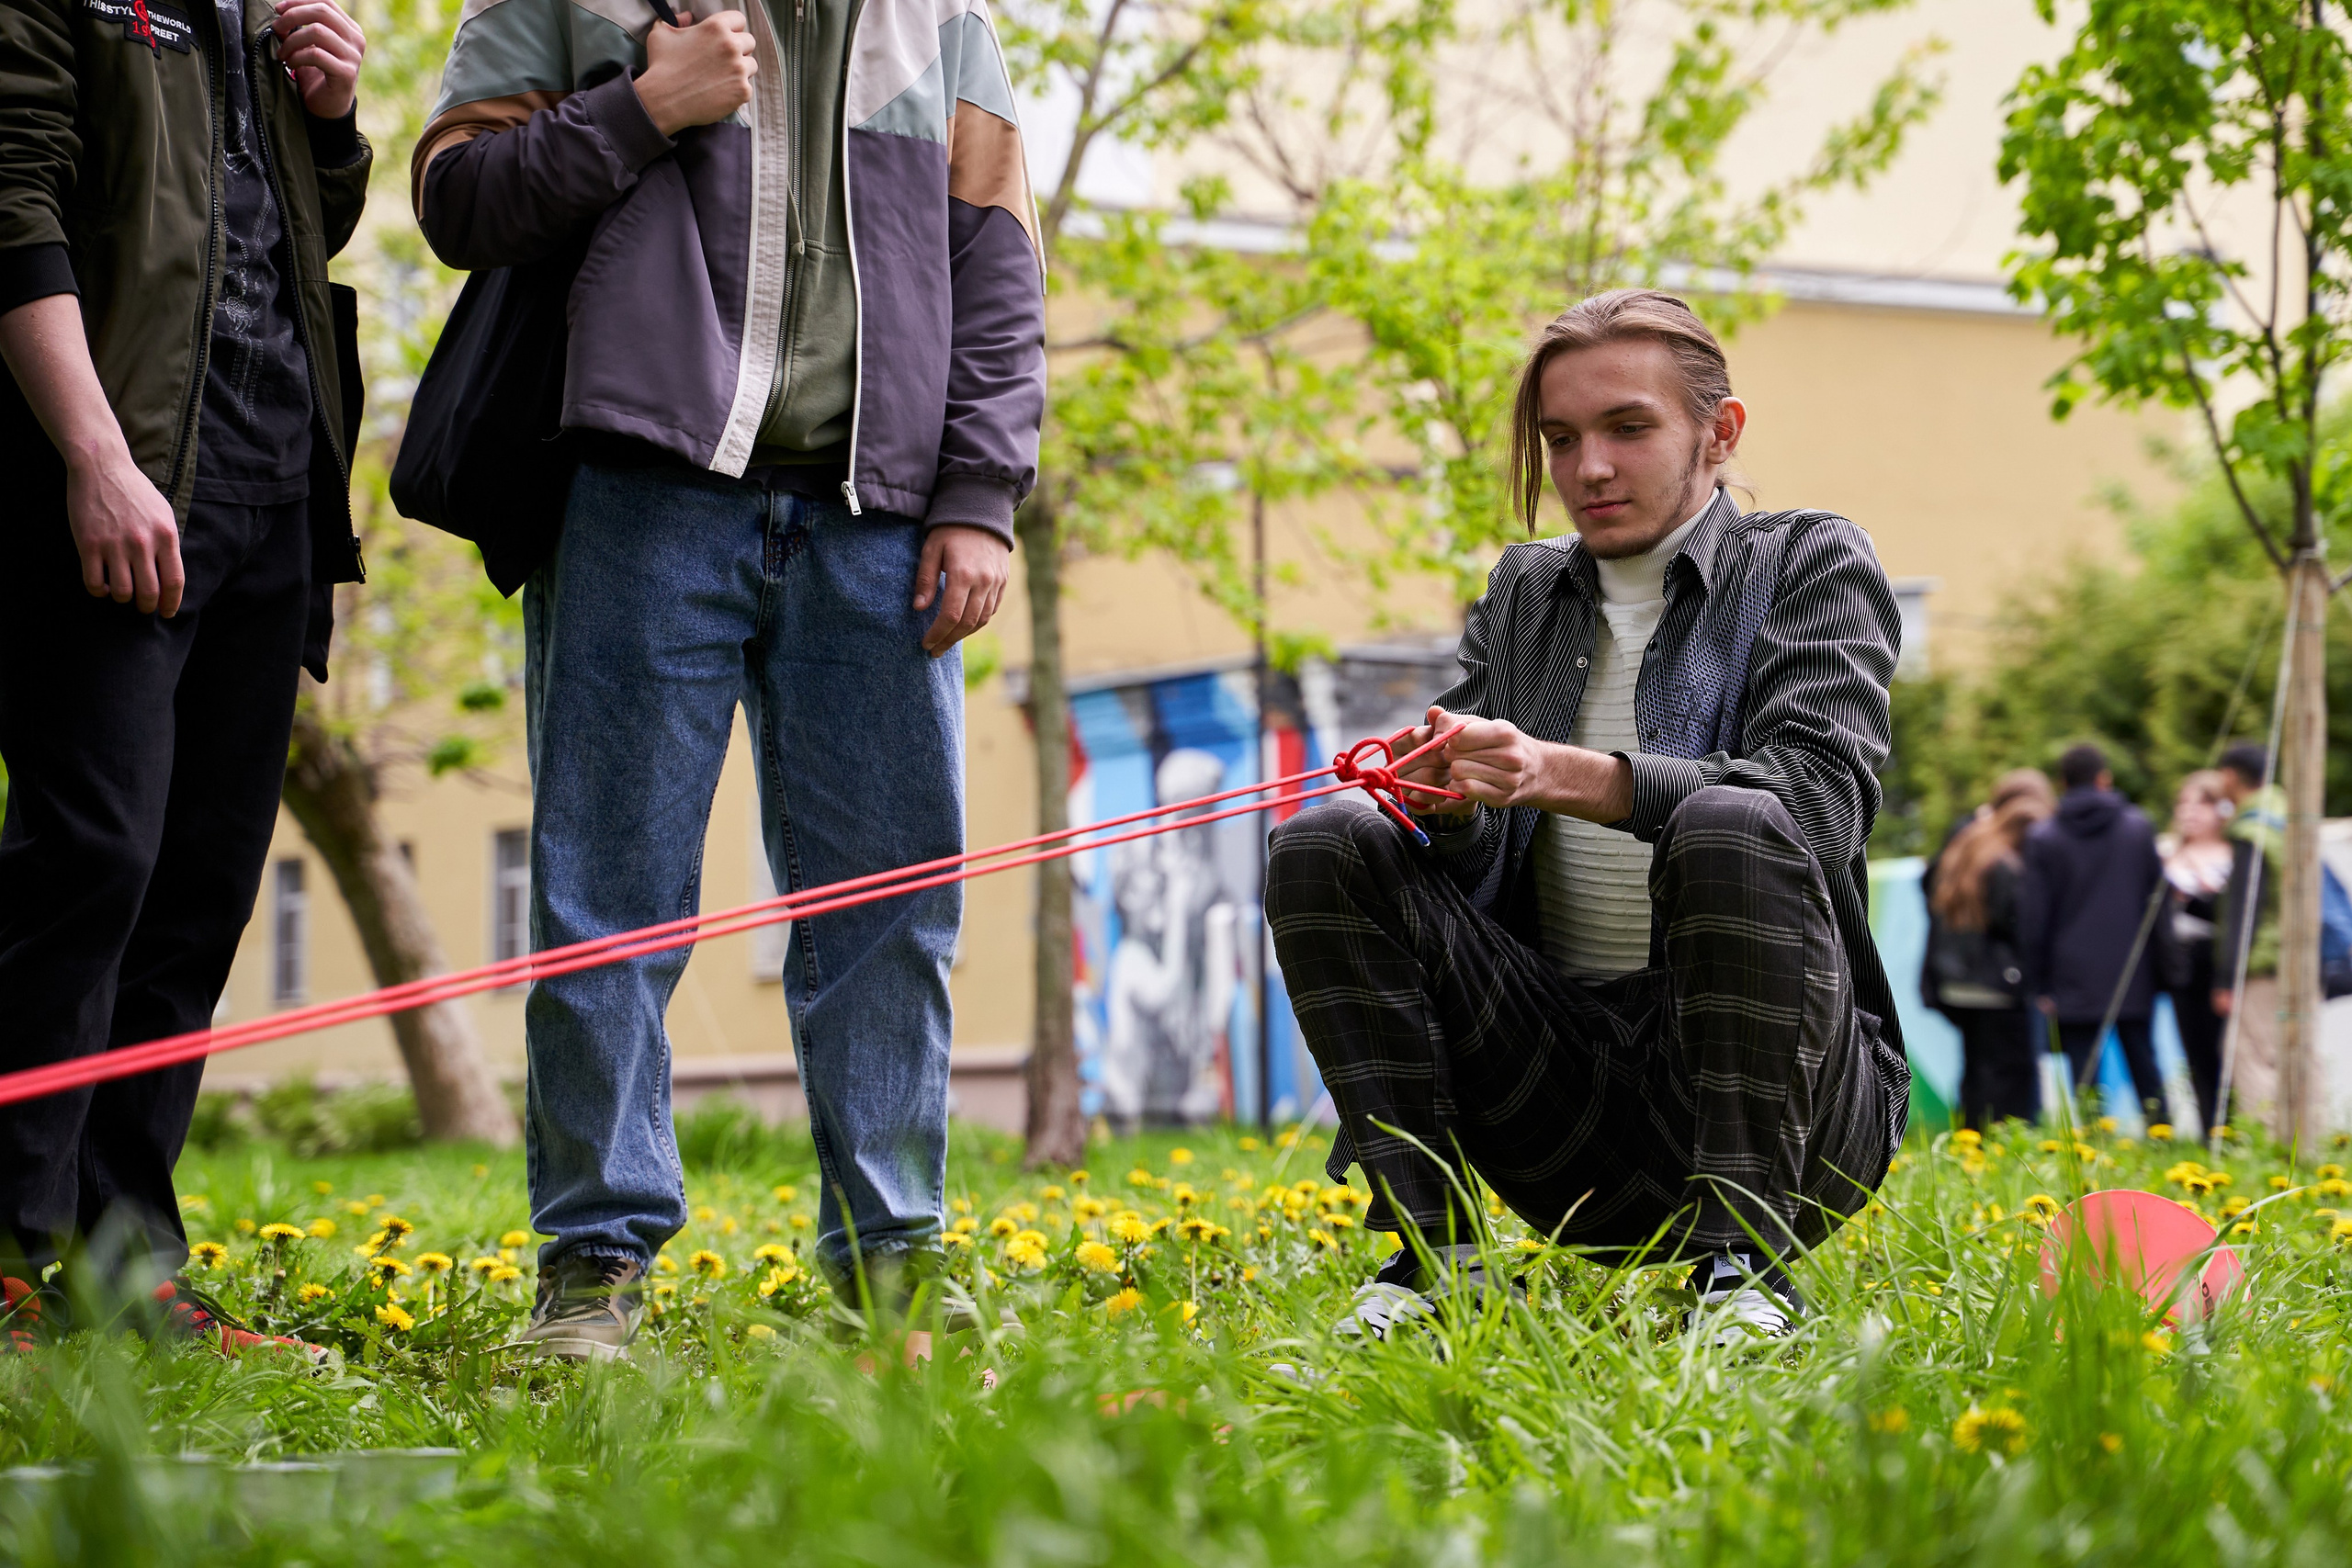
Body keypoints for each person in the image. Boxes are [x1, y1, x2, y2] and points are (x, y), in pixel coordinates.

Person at [413, 0, 1044, 1357]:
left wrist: (980, 494)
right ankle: (594, 1266)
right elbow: (455, 196)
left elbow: (997, 269)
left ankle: (893, 1262)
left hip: (881, 516)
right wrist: (646, 106)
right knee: (609, 893)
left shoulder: (947, 26)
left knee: (890, 902)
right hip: (643, 493)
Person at [1265, 289, 1910, 1340]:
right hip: (1559, 1108)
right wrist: (1451, 808)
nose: (1587, 469)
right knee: (1330, 838)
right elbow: (1475, 862)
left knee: (1735, 823)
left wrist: (1568, 774)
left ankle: (1740, 1268)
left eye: (1627, 427)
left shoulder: (1810, 561)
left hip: (1794, 1128)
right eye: (1559, 439)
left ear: (1720, 431)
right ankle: (1438, 1258)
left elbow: (1812, 808)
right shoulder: (1524, 590)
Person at [0, 0, 369, 1354]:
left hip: (271, 491)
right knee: (89, 855)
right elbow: (12, 190)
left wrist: (330, 124)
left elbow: (293, 232)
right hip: (112, 477)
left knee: (202, 882)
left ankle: (121, 1265)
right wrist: (94, 459)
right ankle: (9, 1254)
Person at [2018, 744, 2169, 1121]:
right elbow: (2159, 903)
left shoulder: (2043, 837)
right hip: (2134, 967)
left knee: (2084, 1074)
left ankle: (2093, 1150)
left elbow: (2034, 917)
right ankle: (2161, 1133)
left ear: (2063, 782)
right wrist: (2167, 967)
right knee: (2144, 1062)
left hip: (2071, 972)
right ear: (2105, 778)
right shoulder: (2137, 826)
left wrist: (2038, 983)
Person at [1925, 779, 2052, 1128]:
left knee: (1977, 1070)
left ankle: (1972, 1138)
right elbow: (2014, 925)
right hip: (1996, 985)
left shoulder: (1970, 847)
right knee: (2012, 1073)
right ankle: (2011, 1143)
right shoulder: (2004, 866)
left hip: (1959, 982)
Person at [2211, 742, 2286, 1136]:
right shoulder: (2287, 815)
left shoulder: (2251, 829)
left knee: (2249, 1053)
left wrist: (2226, 977)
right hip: (2298, 956)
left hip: (2263, 961)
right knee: (2294, 1054)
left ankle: (2267, 1142)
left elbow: (2244, 908)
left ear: (2230, 776)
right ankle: (2309, 1137)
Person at [2163, 770, 2233, 1134]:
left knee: (2228, 1051)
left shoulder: (2232, 854)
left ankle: (2233, 1127)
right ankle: (2208, 1129)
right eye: (2184, 804)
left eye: (2201, 804)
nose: (2190, 812)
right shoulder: (2170, 857)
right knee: (2195, 1052)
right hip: (2182, 965)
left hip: (2219, 964)